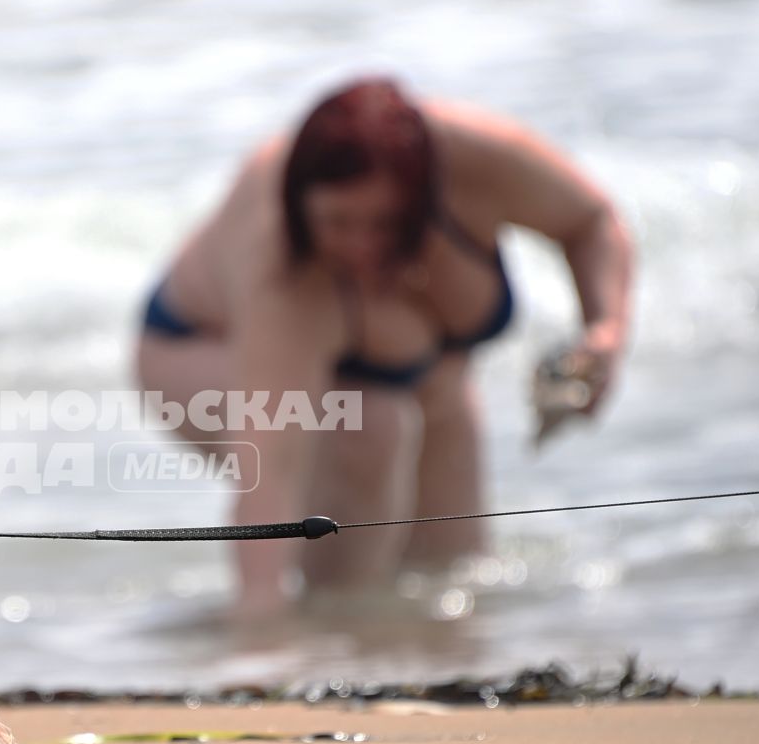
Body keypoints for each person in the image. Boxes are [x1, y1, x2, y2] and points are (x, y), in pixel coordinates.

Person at [135, 77, 634, 620]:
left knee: (453, 581)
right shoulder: (280, 266)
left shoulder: (478, 159)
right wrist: (260, 636)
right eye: (338, 223)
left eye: (383, 223)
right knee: (370, 426)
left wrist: (604, 330)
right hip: (196, 349)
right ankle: (333, 644)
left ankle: (394, 657)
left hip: (426, 380)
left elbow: (591, 221)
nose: (361, 247)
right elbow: (270, 471)